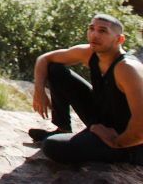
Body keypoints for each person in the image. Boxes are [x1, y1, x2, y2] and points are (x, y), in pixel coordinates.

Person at [29, 14, 143, 165]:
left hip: (129, 142)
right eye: (91, 29)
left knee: (52, 146)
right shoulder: (89, 53)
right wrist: (39, 91)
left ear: (119, 39)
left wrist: (116, 142)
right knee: (55, 69)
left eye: (103, 31)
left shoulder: (127, 68)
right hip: (101, 119)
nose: (94, 35)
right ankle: (62, 128)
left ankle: (119, 154)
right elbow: (44, 59)